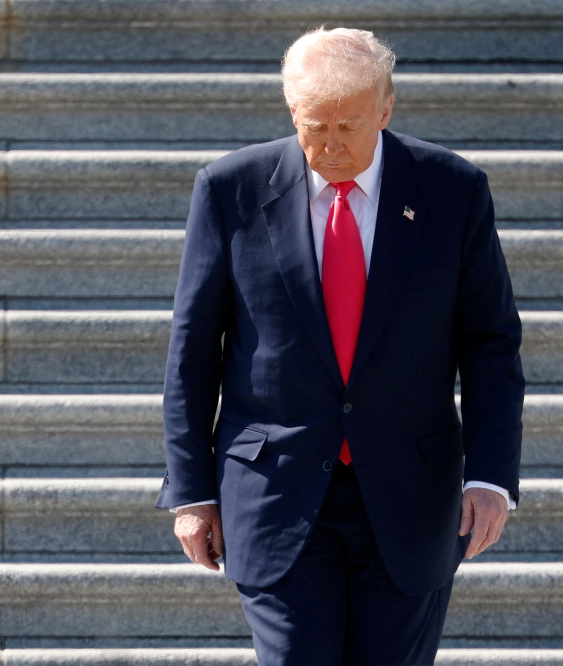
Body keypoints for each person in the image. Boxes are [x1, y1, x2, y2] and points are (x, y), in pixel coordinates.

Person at [156, 26, 525, 666]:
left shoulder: (452, 190)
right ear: (290, 111)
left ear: (386, 107)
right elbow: (193, 351)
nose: (330, 146)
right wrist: (191, 491)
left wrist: (491, 476)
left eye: (350, 127)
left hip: (410, 495)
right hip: (275, 491)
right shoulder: (229, 190)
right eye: (313, 126)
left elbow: (490, 345)